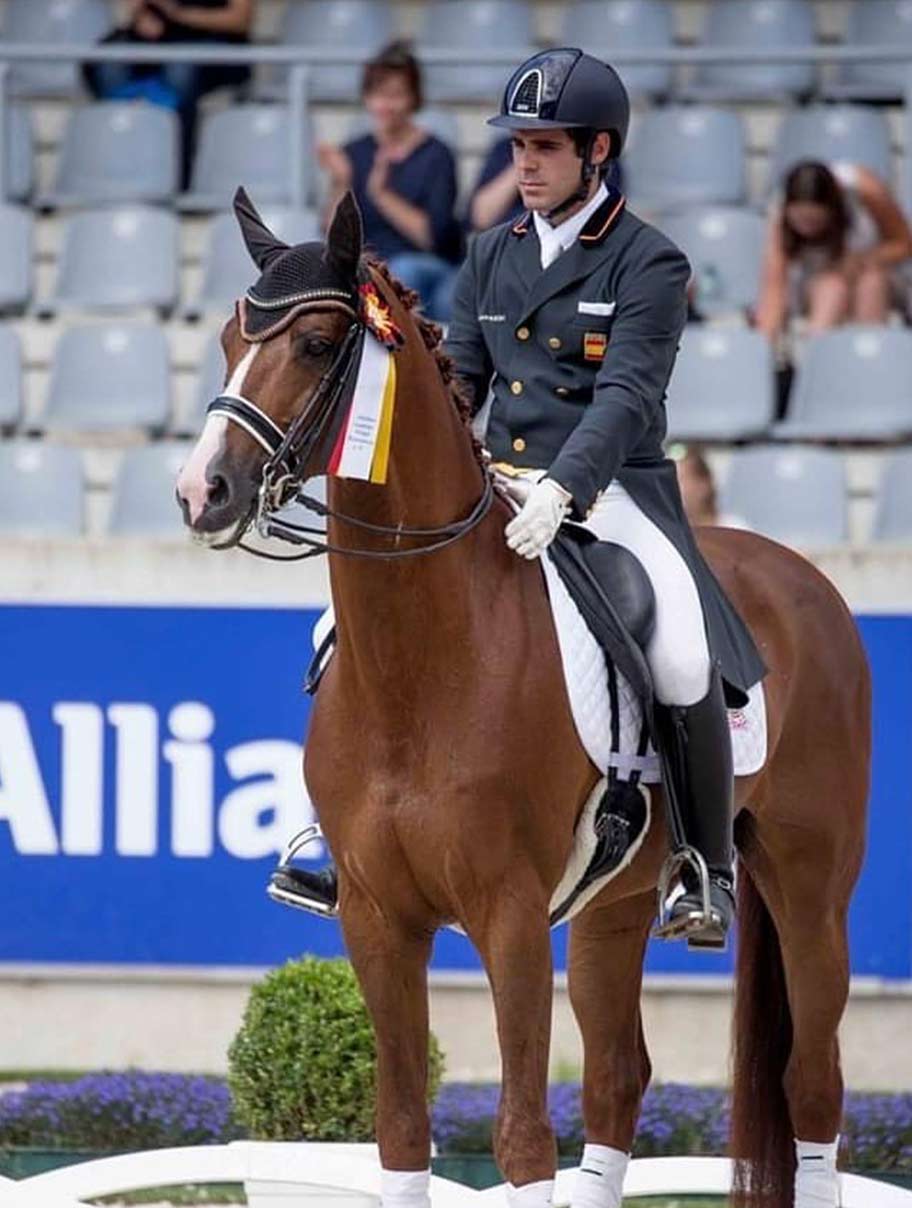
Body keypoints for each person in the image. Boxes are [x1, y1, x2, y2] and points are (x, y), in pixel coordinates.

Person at [276, 48, 766, 950]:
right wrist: (473, 473)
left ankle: (703, 864)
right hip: (499, 487)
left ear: (597, 151)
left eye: (544, 147)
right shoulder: (491, 255)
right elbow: (460, 379)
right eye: (517, 147)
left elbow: (627, 395)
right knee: (335, 626)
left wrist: (566, 487)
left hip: (613, 491)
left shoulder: (647, 261)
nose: (525, 165)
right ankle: (334, 835)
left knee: (683, 649)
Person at [318, 41, 462, 322]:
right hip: (367, 267)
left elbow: (432, 238)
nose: (386, 105)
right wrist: (342, 181)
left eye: (396, 95)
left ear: (414, 98)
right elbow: (331, 233)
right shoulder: (355, 152)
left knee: (400, 271)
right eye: (378, 94)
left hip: (427, 266)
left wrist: (381, 194)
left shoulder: (436, 154)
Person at [84, 0, 254, 188]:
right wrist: (144, 17)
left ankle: (178, 178)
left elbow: (239, 20)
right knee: (107, 64)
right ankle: (114, 170)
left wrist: (179, 15)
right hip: (158, 41)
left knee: (180, 71)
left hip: (216, 45)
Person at [755, 158, 912, 341]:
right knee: (832, 288)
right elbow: (774, 287)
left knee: (871, 282)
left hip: (875, 272)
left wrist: (860, 261)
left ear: (833, 209)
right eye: (800, 221)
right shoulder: (778, 214)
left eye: (814, 221)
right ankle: (816, 356)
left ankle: (869, 351)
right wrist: (763, 346)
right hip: (818, 284)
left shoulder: (866, 190)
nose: (807, 229)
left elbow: (904, 244)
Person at [466, 133, 623, 234]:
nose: (527, 163)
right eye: (519, 145)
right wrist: (523, 163)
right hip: (510, 244)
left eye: (548, 147)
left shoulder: (597, 158)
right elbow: (482, 217)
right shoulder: (504, 149)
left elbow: (599, 219)